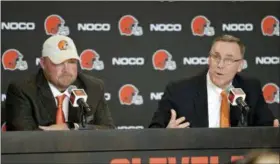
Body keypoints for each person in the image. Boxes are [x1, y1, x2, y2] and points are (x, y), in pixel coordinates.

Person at [149, 34, 275, 128]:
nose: (220, 64)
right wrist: (167, 135)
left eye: (228, 60)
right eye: (216, 57)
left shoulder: (250, 89)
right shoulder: (178, 91)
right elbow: (153, 132)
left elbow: (266, 127)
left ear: (240, 65)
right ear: (209, 59)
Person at [5, 35, 115, 131]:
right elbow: (23, 136)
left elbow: (108, 129)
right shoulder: (22, 90)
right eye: (59, 62)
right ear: (43, 63)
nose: (66, 69)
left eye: (72, 62)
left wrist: (72, 127)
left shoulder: (93, 87)